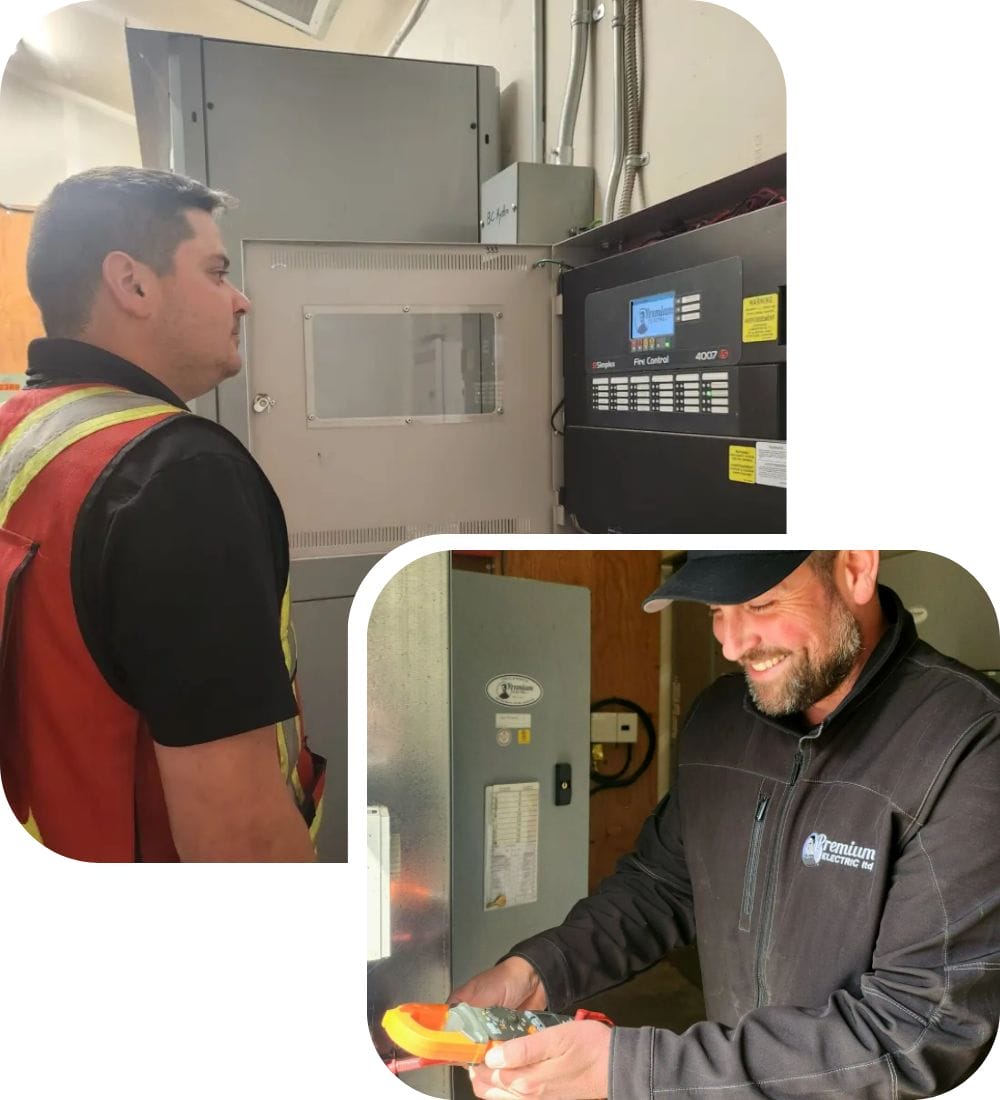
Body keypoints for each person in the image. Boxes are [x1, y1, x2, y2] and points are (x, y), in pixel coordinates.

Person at [454, 551, 1000, 1100]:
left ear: (856, 568)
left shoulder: (968, 741)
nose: (732, 644)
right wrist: (540, 969)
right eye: (717, 609)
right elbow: (662, 885)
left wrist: (633, 1071)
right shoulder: (719, 717)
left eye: (760, 603)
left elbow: (917, 1029)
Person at [0, 166, 322, 862]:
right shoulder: (175, 477)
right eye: (215, 271)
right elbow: (238, 841)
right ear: (133, 284)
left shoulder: (18, 431)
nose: (241, 300)